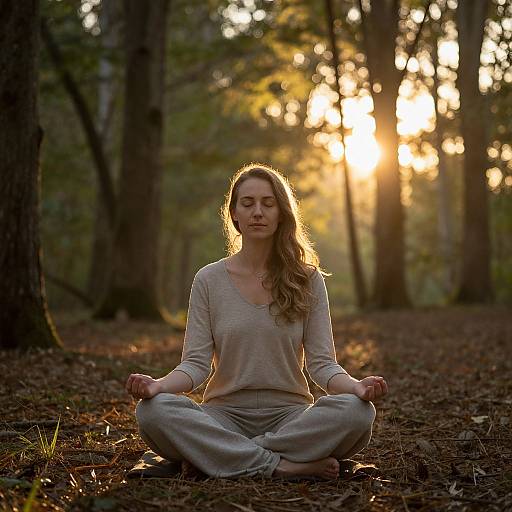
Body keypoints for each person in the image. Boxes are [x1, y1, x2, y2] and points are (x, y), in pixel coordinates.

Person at [126, 163, 388, 480]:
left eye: (268, 203)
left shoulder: (307, 279)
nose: (258, 212)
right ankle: (280, 466)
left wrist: (356, 386)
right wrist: (158, 385)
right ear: (234, 214)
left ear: (281, 213)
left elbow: (323, 365)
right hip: (223, 415)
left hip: (291, 418)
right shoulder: (208, 279)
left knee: (357, 412)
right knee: (153, 411)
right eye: (247, 203)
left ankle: (223, 455)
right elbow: (195, 365)